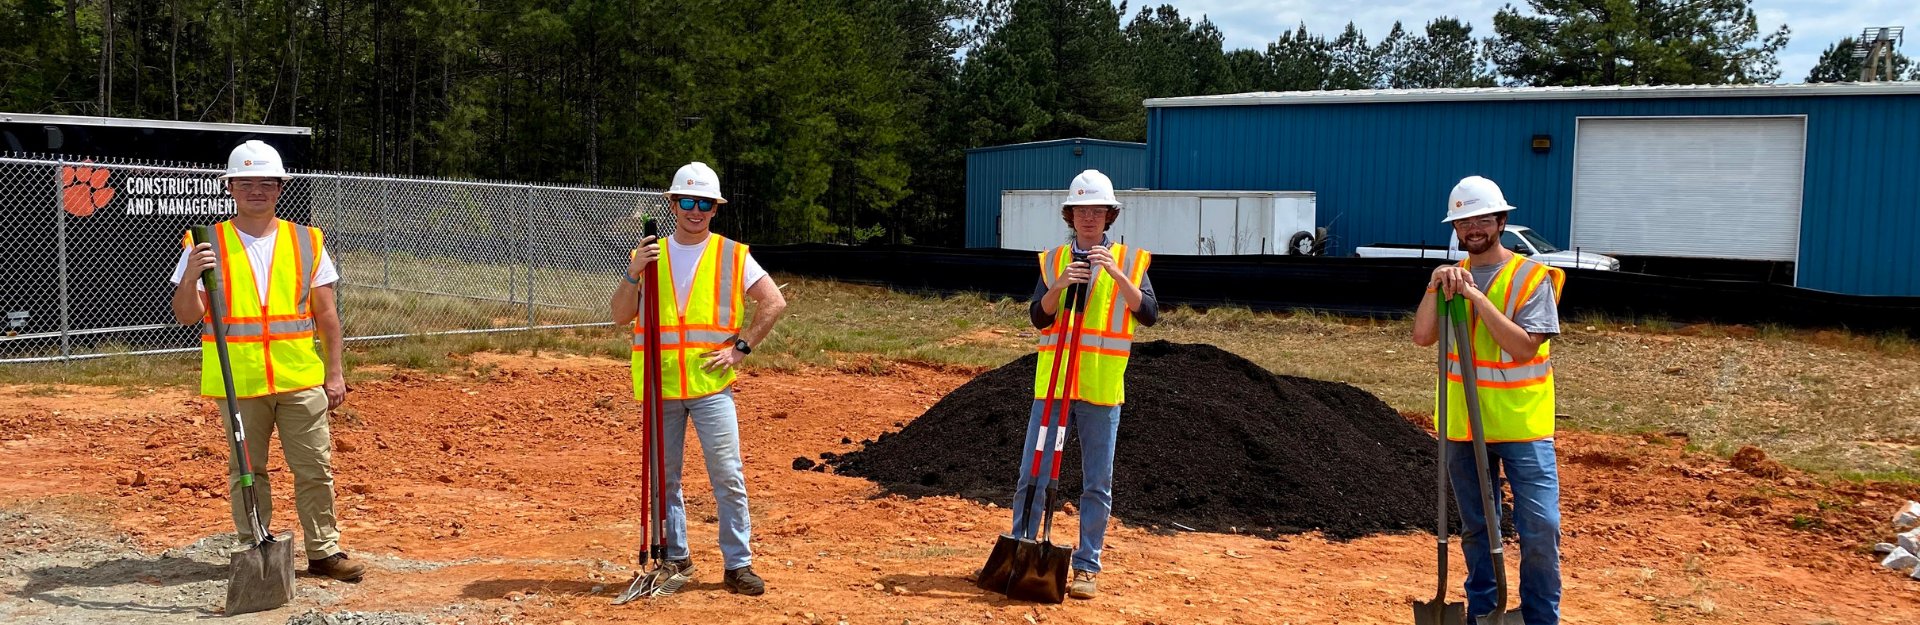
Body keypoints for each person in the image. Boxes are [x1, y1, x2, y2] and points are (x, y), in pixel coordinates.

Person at [169, 140, 362, 582]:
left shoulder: (307, 240)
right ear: (231, 188)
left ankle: (324, 552)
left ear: (279, 188)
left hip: (299, 378)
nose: (256, 189)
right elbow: (186, 315)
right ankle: (256, 547)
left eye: (266, 182)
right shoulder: (205, 242)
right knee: (247, 472)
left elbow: (326, 313)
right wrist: (193, 275)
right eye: (246, 182)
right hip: (239, 381)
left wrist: (335, 372)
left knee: (315, 467)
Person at [611, 161, 787, 596]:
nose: (695, 209)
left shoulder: (732, 255)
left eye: (704, 203)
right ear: (673, 204)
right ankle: (676, 557)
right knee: (663, 481)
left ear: (714, 209)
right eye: (687, 201)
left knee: (728, 476)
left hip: (711, 388)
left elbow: (773, 302)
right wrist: (633, 272)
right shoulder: (648, 256)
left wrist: (740, 348)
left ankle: (738, 565)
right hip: (662, 385)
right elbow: (619, 315)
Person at [1411, 175, 1566, 624]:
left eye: (1481, 218)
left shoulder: (1531, 277)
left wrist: (1476, 297)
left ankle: (1539, 618)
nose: (1472, 228)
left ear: (1500, 220)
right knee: (1478, 528)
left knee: (1541, 529)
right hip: (1462, 423)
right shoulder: (1448, 277)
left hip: (1522, 426)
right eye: (1462, 221)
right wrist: (1432, 285)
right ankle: (1484, 613)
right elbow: (1423, 337)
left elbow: (1523, 347)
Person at [1010, 169, 1156, 600]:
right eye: (1080, 210)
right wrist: (1057, 287)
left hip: (1100, 388)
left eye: (1096, 210)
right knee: (1032, 475)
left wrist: (1116, 275)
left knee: (1097, 483)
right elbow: (1039, 316)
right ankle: (1021, 551)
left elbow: (1148, 313)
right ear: (1069, 214)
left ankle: (1087, 567)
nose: (1088, 217)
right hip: (1053, 388)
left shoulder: (1131, 261)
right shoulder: (1053, 260)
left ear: (1109, 215)